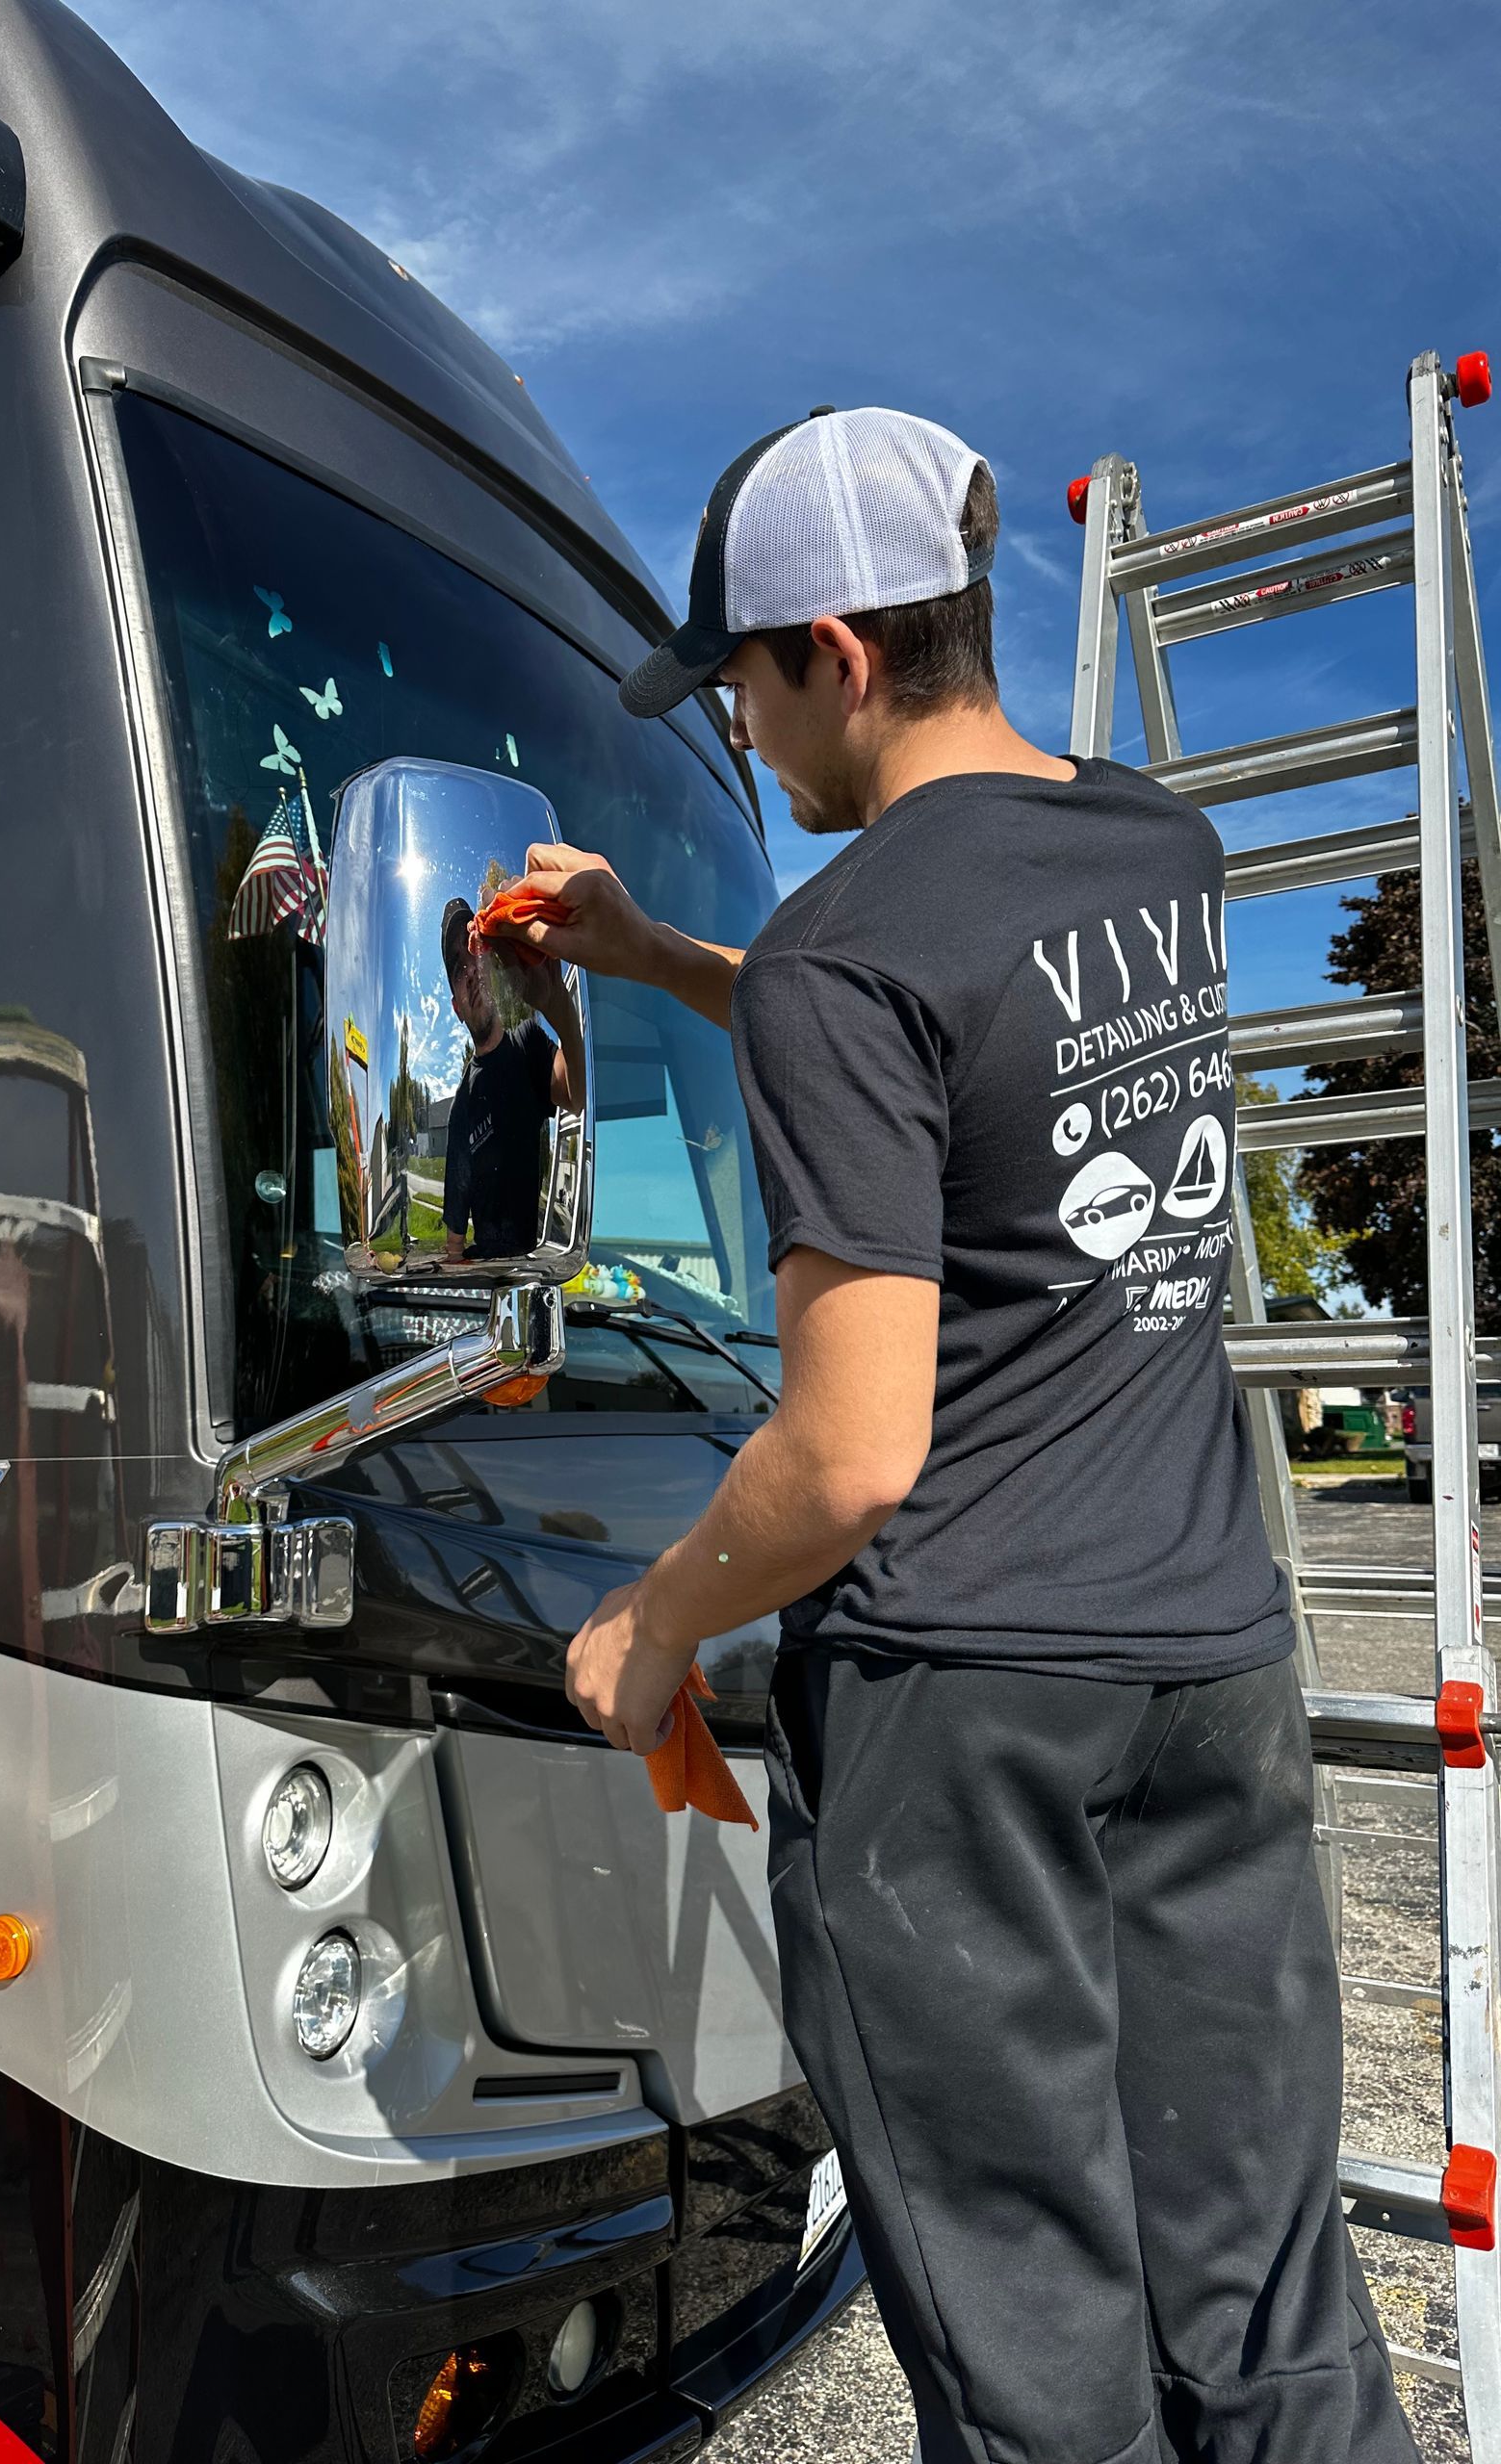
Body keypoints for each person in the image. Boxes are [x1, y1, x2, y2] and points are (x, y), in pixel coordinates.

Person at [486, 407, 1416, 2462]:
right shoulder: (1156, 846)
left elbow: (848, 1457)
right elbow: (958, 1036)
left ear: (828, 646)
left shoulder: (848, 946)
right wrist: (655, 958)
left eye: (737, 675)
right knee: (1267, 2304)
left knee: (1039, 2356)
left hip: (968, 1714)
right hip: (1211, 1659)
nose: (742, 723)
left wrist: (647, 1628)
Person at [438, 896, 582, 1263]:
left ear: (488, 964)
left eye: (473, 952)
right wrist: (457, 1268)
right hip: (485, 1277)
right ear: (456, 1007)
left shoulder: (527, 1044)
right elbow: (456, 1224)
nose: (469, 971)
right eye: (457, 968)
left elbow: (576, 1095)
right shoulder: (463, 1104)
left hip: (537, 1264)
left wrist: (559, 1007)